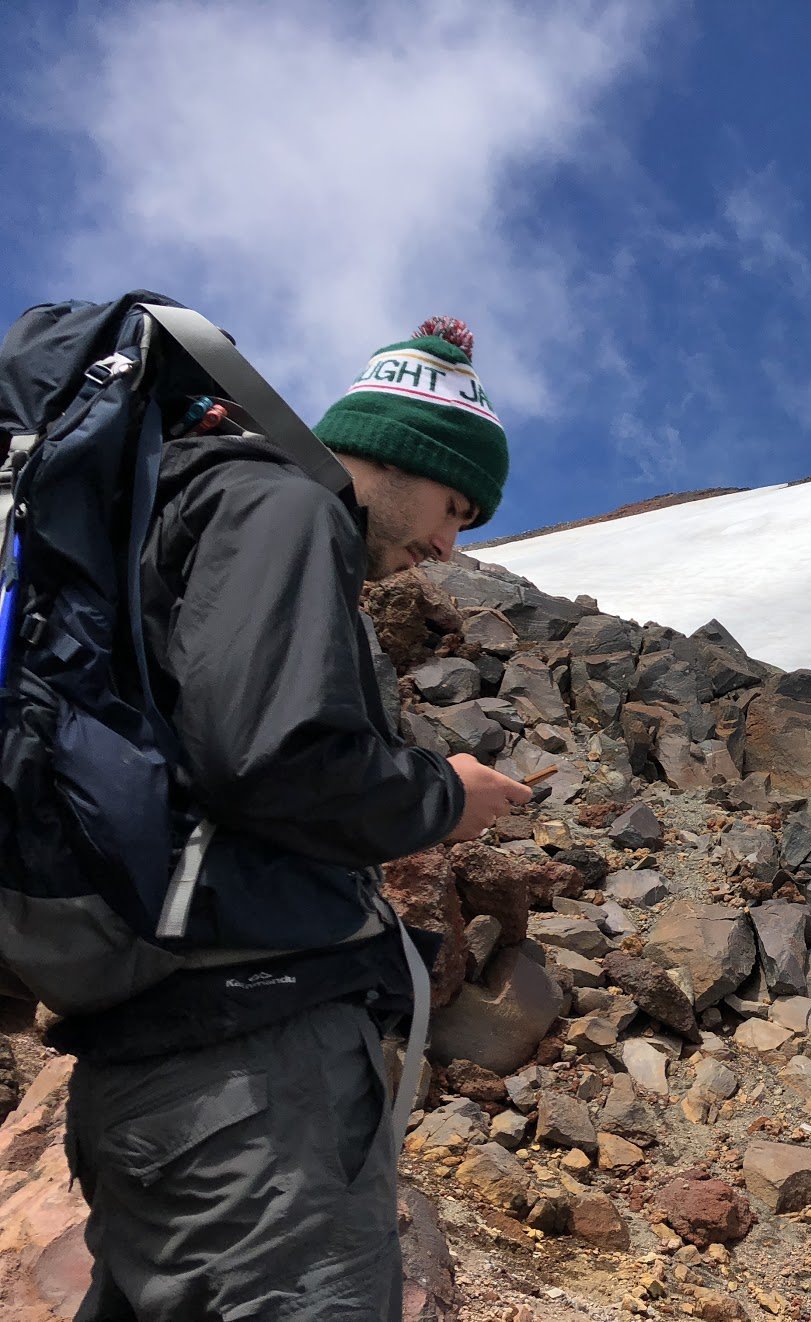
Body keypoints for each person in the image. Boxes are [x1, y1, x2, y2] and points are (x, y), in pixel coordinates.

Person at [50, 316, 532, 1320]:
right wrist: (447, 795)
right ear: (397, 456)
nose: (448, 543)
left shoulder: (192, 506)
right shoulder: (282, 507)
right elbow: (272, 758)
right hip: (247, 1083)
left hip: (169, 1070)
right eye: (453, 504)